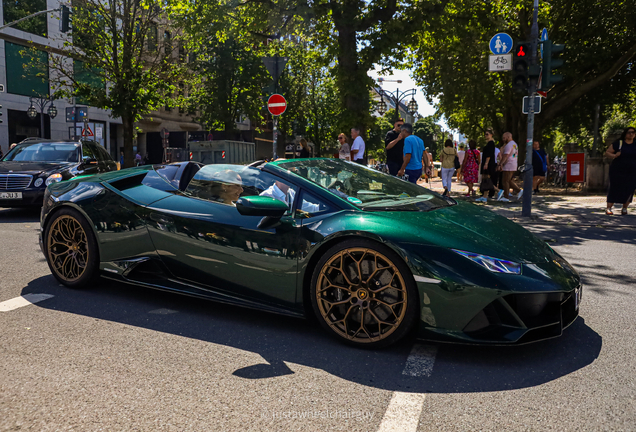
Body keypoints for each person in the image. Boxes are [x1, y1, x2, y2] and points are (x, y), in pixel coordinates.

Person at [605, 126, 636, 215]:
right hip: (618, 169)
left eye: (633, 132)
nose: (631, 134)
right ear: (625, 134)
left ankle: (624, 208)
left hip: (632, 170)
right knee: (614, 188)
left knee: (629, 188)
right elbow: (607, 152)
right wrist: (614, 155)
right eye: (629, 132)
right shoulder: (619, 143)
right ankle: (609, 208)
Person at [475, 130, 500, 203]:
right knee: (485, 180)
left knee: (487, 179)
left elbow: (489, 154)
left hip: (488, 164)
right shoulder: (489, 143)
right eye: (485, 134)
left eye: (487, 134)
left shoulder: (491, 144)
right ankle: (485, 196)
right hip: (487, 163)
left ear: (491, 135)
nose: (486, 136)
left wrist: (486, 163)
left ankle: (498, 190)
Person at [497, 132, 522, 202]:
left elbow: (505, 156)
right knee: (508, 180)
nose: (503, 139)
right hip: (513, 164)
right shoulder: (514, 144)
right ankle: (518, 191)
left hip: (509, 165)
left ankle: (506, 196)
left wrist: (500, 164)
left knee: (505, 181)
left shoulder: (509, 145)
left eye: (504, 138)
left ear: (508, 137)